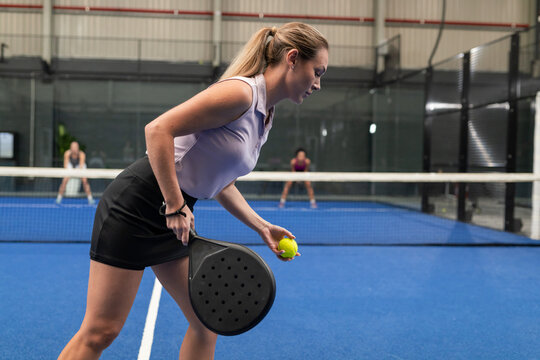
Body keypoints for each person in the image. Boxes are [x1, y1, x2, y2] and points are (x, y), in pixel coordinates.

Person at [58, 22, 328, 360]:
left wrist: (261, 226)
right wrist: (173, 204)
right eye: (317, 72)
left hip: (175, 213)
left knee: (206, 320)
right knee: (100, 331)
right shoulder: (242, 93)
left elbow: (220, 182)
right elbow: (158, 130)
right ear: (292, 58)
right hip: (137, 205)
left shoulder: (264, 115)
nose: (318, 84)